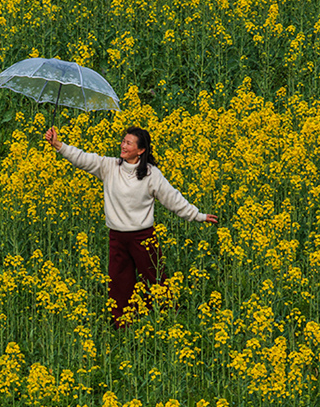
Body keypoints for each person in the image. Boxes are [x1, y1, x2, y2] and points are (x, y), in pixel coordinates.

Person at [44, 126, 217, 327]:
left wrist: (198, 215)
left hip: (142, 237)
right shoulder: (109, 167)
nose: (122, 145)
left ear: (141, 150)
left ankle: (168, 320)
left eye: (128, 143)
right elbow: (82, 158)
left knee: (155, 279)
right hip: (117, 237)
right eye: (123, 141)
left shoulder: (152, 175)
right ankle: (122, 325)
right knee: (119, 282)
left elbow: (173, 199)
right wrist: (58, 145)